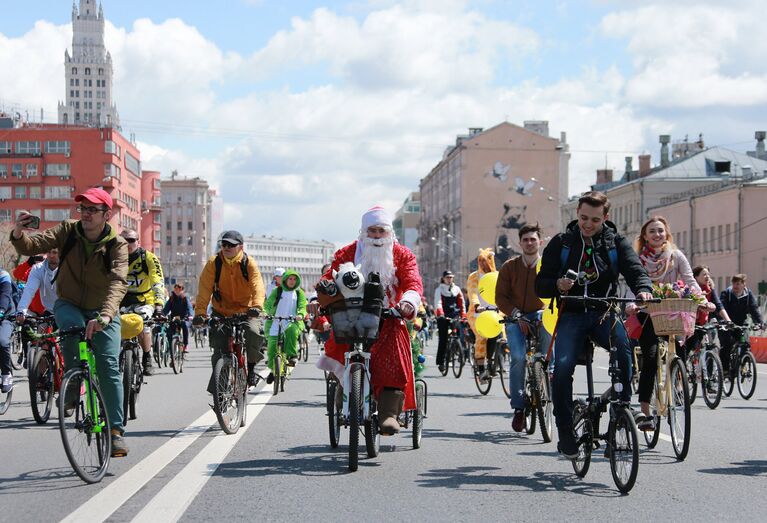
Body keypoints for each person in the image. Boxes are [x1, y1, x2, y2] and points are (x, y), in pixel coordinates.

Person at [10, 188, 130, 457]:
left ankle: (116, 431)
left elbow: (118, 282)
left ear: (106, 215)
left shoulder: (117, 245)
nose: (85, 214)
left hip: (103, 308)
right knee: (71, 334)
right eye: (83, 209)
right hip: (69, 303)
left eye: (92, 210)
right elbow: (33, 245)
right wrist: (19, 233)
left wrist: (107, 315)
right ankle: (73, 383)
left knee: (109, 365)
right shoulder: (67, 231)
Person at [536, 191, 653, 459]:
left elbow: (636, 271)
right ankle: (565, 428)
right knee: (562, 366)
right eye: (584, 217)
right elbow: (540, 284)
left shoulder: (615, 243)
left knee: (623, 347)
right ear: (577, 213)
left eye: (595, 220)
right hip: (571, 314)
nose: (588, 224)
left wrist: (644, 289)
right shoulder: (562, 243)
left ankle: (622, 408)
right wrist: (556, 284)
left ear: (606, 218)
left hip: (603, 312)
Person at [315, 205, 422, 435]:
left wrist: (408, 302)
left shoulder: (402, 254)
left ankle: (388, 414)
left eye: (381, 231)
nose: (376, 236)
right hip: (351, 316)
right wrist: (320, 296)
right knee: (338, 347)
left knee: (395, 358)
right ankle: (345, 394)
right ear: (363, 232)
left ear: (389, 233)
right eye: (371, 231)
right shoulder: (347, 252)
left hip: (389, 317)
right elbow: (328, 277)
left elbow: (413, 282)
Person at [625, 216, 705, 430]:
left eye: (660, 230)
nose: (657, 234)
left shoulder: (676, 256)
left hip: (675, 313)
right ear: (645, 236)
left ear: (666, 233)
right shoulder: (639, 259)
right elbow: (631, 284)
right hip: (648, 313)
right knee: (650, 359)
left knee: (681, 351)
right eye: (652, 231)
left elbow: (690, 281)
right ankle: (645, 412)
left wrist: (704, 301)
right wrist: (632, 303)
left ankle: (676, 386)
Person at [496, 223, 553, 432]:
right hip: (515, 316)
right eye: (525, 240)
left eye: (533, 239)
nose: (529, 243)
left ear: (540, 242)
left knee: (547, 346)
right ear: (520, 243)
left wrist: (545, 311)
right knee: (519, 358)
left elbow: (556, 292)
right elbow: (500, 297)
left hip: (541, 314)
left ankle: (549, 372)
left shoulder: (548, 266)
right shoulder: (510, 267)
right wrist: (516, 314)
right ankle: (519, 408)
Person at [193, 230, 266, 390]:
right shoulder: (214, 263)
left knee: (253, 332)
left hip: (247, 310)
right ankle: (220, 388)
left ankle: (252, 368)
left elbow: (257, 286)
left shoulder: (249, 263)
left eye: (231, 245)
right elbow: (204, 289)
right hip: (222, 311)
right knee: (219, 348)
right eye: (224, 244)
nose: (226, 247)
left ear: (240, 247)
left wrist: (257, 306)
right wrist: (200, 313)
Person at [118, 228, 165, 376]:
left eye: (131, 240)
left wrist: (158, 305)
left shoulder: (149, 258)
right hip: (120, 299)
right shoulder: (113, 257)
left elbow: (157, 280)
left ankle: (147, 357)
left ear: (138, 242)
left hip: (144, 300)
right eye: (123, 240)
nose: (127, 243)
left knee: (144, 326)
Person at [264, 269, 306, 383]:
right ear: (285, 280)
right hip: (276, 322)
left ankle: (291, 356)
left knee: (291, 331)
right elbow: (268, 304)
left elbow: (303, 306)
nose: (292, 281)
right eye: (290, 279)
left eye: (294, 279)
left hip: (292, 321)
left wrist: (301, 315)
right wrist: (264, 312)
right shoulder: (277, 291)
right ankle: (274, 371)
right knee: (272, 347)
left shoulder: (298, 292)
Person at [719, 274, 765, 374]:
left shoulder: (748, 294)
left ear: (744, 284)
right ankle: (725, 370)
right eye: (734, 283)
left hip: (741, 323)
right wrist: (726, 322)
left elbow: (754, 309)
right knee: (726, 345)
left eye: (738, 283)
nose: (735, 286)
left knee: (746, 344)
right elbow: (722, 308)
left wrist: (760, 323)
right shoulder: (727, 293)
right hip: (727, 324)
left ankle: (742, 365)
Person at [466, 248, 499, 380]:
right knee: (481, 337)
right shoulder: (474, 277)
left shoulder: (498, 276)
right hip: (477, 314)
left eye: (486, 261)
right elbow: (472, 293)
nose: (483, 264)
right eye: (481, 261)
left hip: (495, 311)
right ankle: (481, 370)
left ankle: (493, 361)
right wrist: (477, 306)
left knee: (499, 333)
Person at [433, 270, 466, 373]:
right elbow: (438, 303)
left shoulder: (457, 289)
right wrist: (441, 314)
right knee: (443, 339)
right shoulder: (439, 290)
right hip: (443, 316)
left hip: (454, 315)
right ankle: (441, 362)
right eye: (447, 277)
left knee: (460, 335)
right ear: (443, 278)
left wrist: (463, 315)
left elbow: (462, 303)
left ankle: (460, 352)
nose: (449, 279)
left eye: (451, 277)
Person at [15, 249, 60, 321]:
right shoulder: (34, 270)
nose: (51, 256)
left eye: (54, 253)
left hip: (51, 310)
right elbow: (18, 275)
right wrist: (29, 263)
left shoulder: (62, 268)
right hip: (33, 310)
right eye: (48, 252)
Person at [163, 282, 193, 352]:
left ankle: (185, 345)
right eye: (175, 288)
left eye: (179, 289)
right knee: (169, 331)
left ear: (182, 290)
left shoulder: (185, 298)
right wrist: (162, 315)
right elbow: (166, 309)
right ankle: (171, 350)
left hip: (184, 318)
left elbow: (190, 308)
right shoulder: (171, 298)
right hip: (174, 318)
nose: (177, 290)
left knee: (184, 325)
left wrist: (190, 315)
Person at [0, 267, 16, 393]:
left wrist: (1, 310)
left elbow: (5, 295)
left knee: (2, 341)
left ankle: (6, 374)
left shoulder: (3, 275)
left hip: (5, 316)